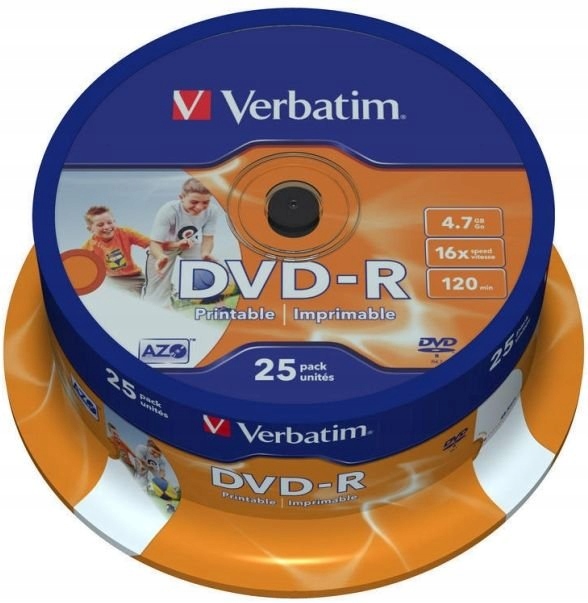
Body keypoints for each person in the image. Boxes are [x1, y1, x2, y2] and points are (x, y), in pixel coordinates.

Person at [143, 177, 220, 307]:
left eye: (205, 202)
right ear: (181, 197)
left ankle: (217, 306)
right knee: (156, 291)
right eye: (194, 202)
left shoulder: (212, 211)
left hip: (188, 244)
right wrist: (160, 256)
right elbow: (155, 244)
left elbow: (208, 238)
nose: (199, 207)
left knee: (213, 269)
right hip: (164, 248)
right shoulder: (169, 210)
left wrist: (205, 253)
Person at [82, 206, 150, 295]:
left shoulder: (125, 233)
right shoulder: (89, 247)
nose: (107, 227)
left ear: (114, 222)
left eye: (109, 222)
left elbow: (151, 243)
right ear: (90, 229)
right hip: (112, 281)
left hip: (135, 277)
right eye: (100, 225)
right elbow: (80, 266)